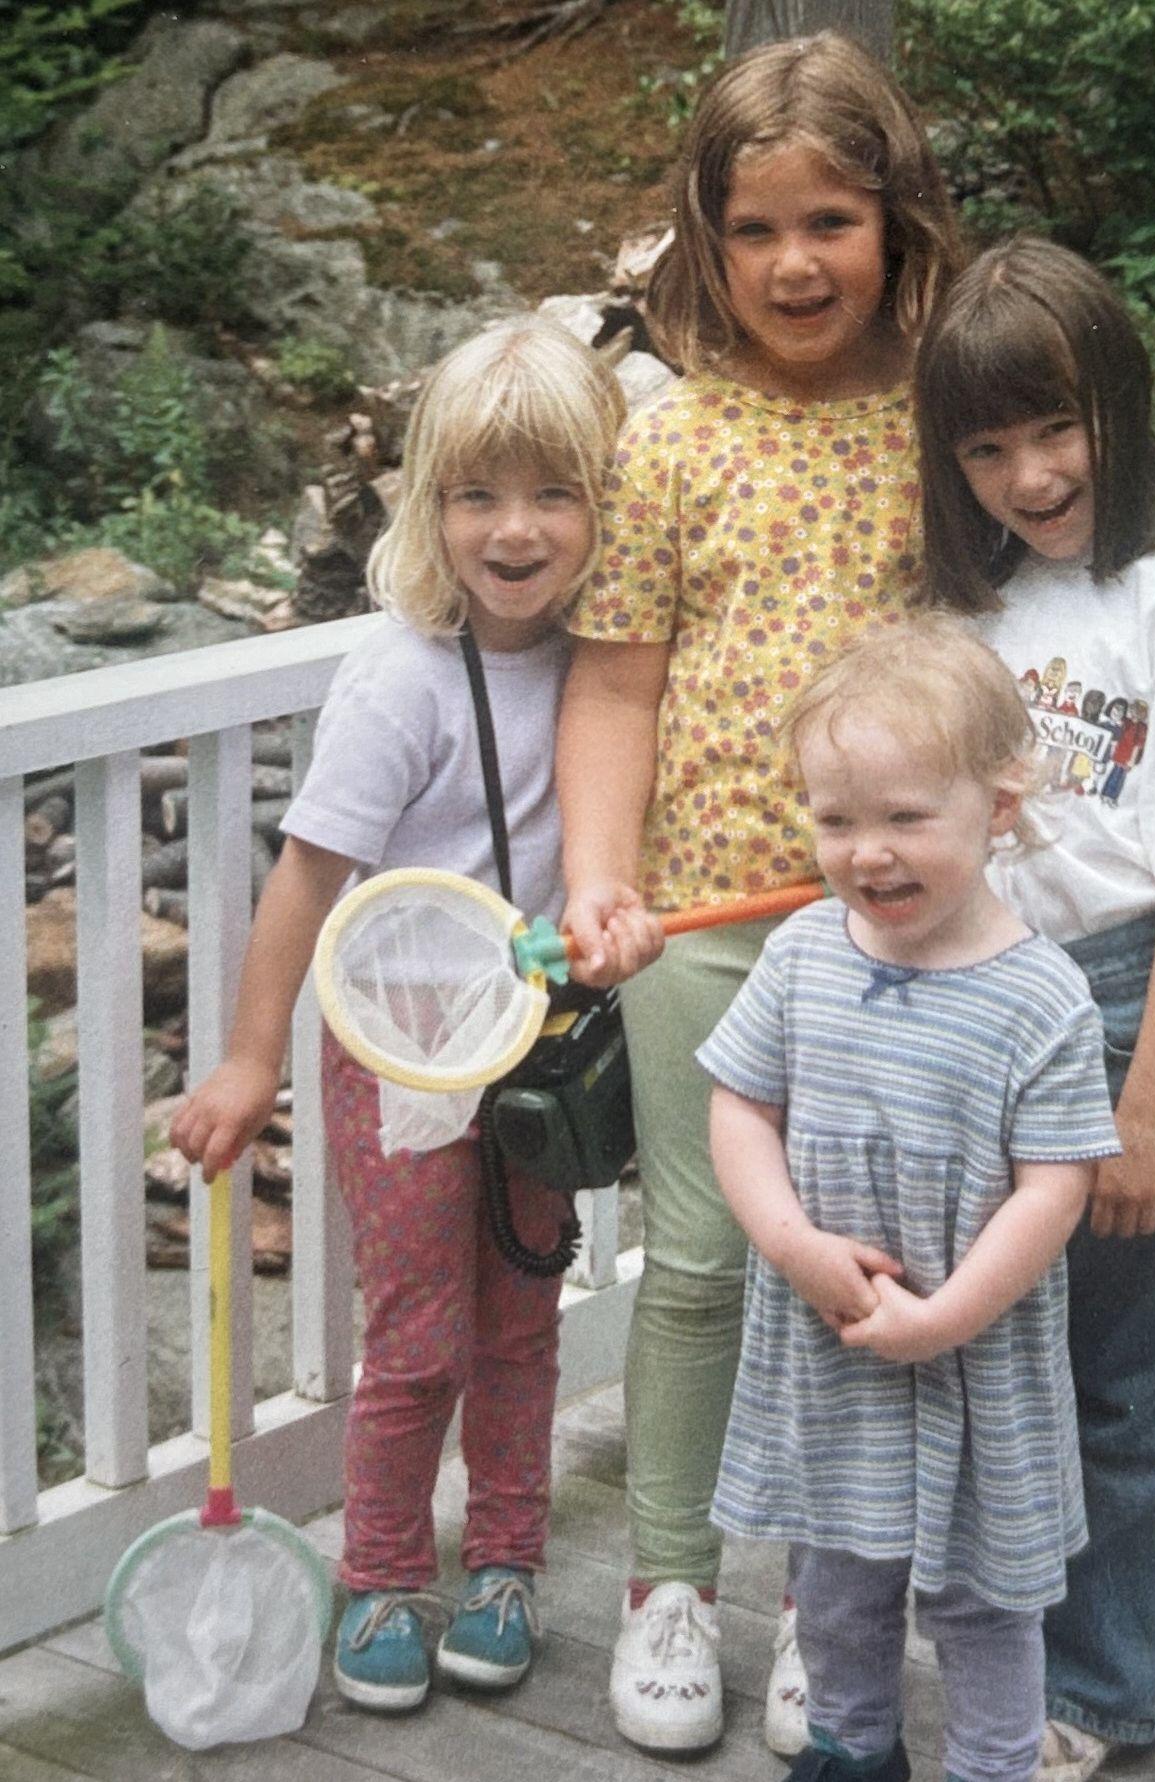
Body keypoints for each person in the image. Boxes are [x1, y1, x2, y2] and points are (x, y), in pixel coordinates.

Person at [553, 31, 961, 1754]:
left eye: (834, 220)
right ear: (705, 247)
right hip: (702, 939)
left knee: (853, 1273)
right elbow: (616, 686)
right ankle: (664, 1585)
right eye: (757, 229)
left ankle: (826, 1607)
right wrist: (596, 877)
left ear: (895, 223)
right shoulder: (672, 445)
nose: (798, 263)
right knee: (703, 1265)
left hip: (891, 944)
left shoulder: (948, 425)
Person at [170, 316, 642, 1714]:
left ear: (605, 506)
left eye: (555, 493)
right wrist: (254, 1057)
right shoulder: (400, 674)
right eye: (478, 494)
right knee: (423, 1326)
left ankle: (503, 1562)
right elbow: (310, 870)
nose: (515, 529)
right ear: (430, 504)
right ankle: (380, 1569)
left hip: (541, 1047)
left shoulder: (610, 659)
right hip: (399, 1044)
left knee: (522, 1317)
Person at [914, 237, 1155, 1782]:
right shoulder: (976, 597)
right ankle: (1068, 1628)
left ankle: (1108, 1683)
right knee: (992, 1358)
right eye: (988, 445)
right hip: (983, 995)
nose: (1028, 473)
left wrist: (1144, 1106)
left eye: (1055, 429)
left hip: (1130, 1006)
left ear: (1117, 410)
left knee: (1123, 1381)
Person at [699, 617, 1121, 1782]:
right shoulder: (799, 956)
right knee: (833, 1585)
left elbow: (1055, 1188)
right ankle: (847, 1749)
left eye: (903, 818)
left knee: (982, 1605)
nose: (866, 852)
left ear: (997, 807)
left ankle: (991, 1764)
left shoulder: (1041, 997)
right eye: (835, 820)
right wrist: (788, 1242)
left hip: (972, 1356)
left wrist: (944, 1319)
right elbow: (739, 1109)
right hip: (829, 1337)